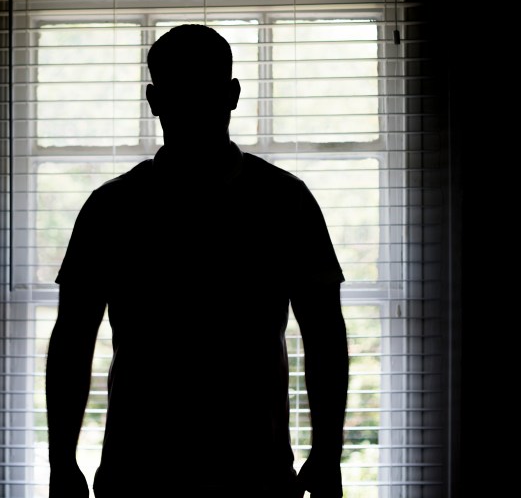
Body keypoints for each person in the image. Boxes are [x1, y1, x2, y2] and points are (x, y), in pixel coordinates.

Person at [46, 24, 349, 498]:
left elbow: (72, 338)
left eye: (200, 89)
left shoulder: (114, 206)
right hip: (175, 470)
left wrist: (61, 460)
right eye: (183, 89)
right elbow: (71, 340)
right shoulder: (283, 200)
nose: (193, 104)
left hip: (206, 469)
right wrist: (327, 453)